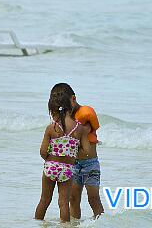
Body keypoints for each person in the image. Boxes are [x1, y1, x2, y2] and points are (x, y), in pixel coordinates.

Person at [50, 83, 104, 220]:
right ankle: (75, 224)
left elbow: (93, 128)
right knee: (73, 199)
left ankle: (102, 223)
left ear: (73, 99)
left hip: (90, 164)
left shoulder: (86, 113)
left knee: (93, 198)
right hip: (73, 165)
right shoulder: (64, 119)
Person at [34, 90, 90, 223]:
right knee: (63, 202)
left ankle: (36, 223)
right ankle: (65, 226)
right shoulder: (80, 129)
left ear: (54, 111)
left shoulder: (51, 128)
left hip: (50, 167)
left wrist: (49, 158)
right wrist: (73, 154)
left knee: (44, 200)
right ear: (70, 108)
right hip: (67, 169)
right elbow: (86, 151)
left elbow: (42, 151)